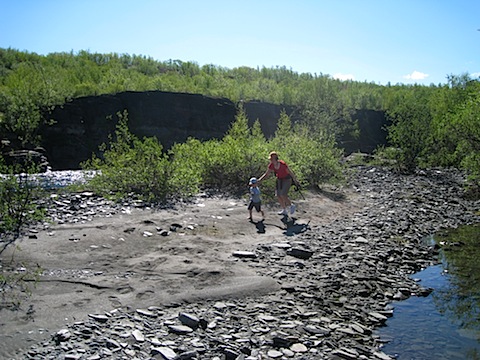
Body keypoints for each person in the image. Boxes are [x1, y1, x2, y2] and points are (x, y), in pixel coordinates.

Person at [258, 151, 299, 216]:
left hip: (287, 179)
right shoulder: (271, 165)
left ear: (275, 158)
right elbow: (266, 174)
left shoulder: (282, 164)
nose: (270, 160)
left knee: (283, 194)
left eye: (271, 159)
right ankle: (284, 210)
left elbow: (290, 172)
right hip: (279, 179)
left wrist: (295, 180)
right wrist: (260, 180)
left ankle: (291, 206)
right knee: (278, 195)